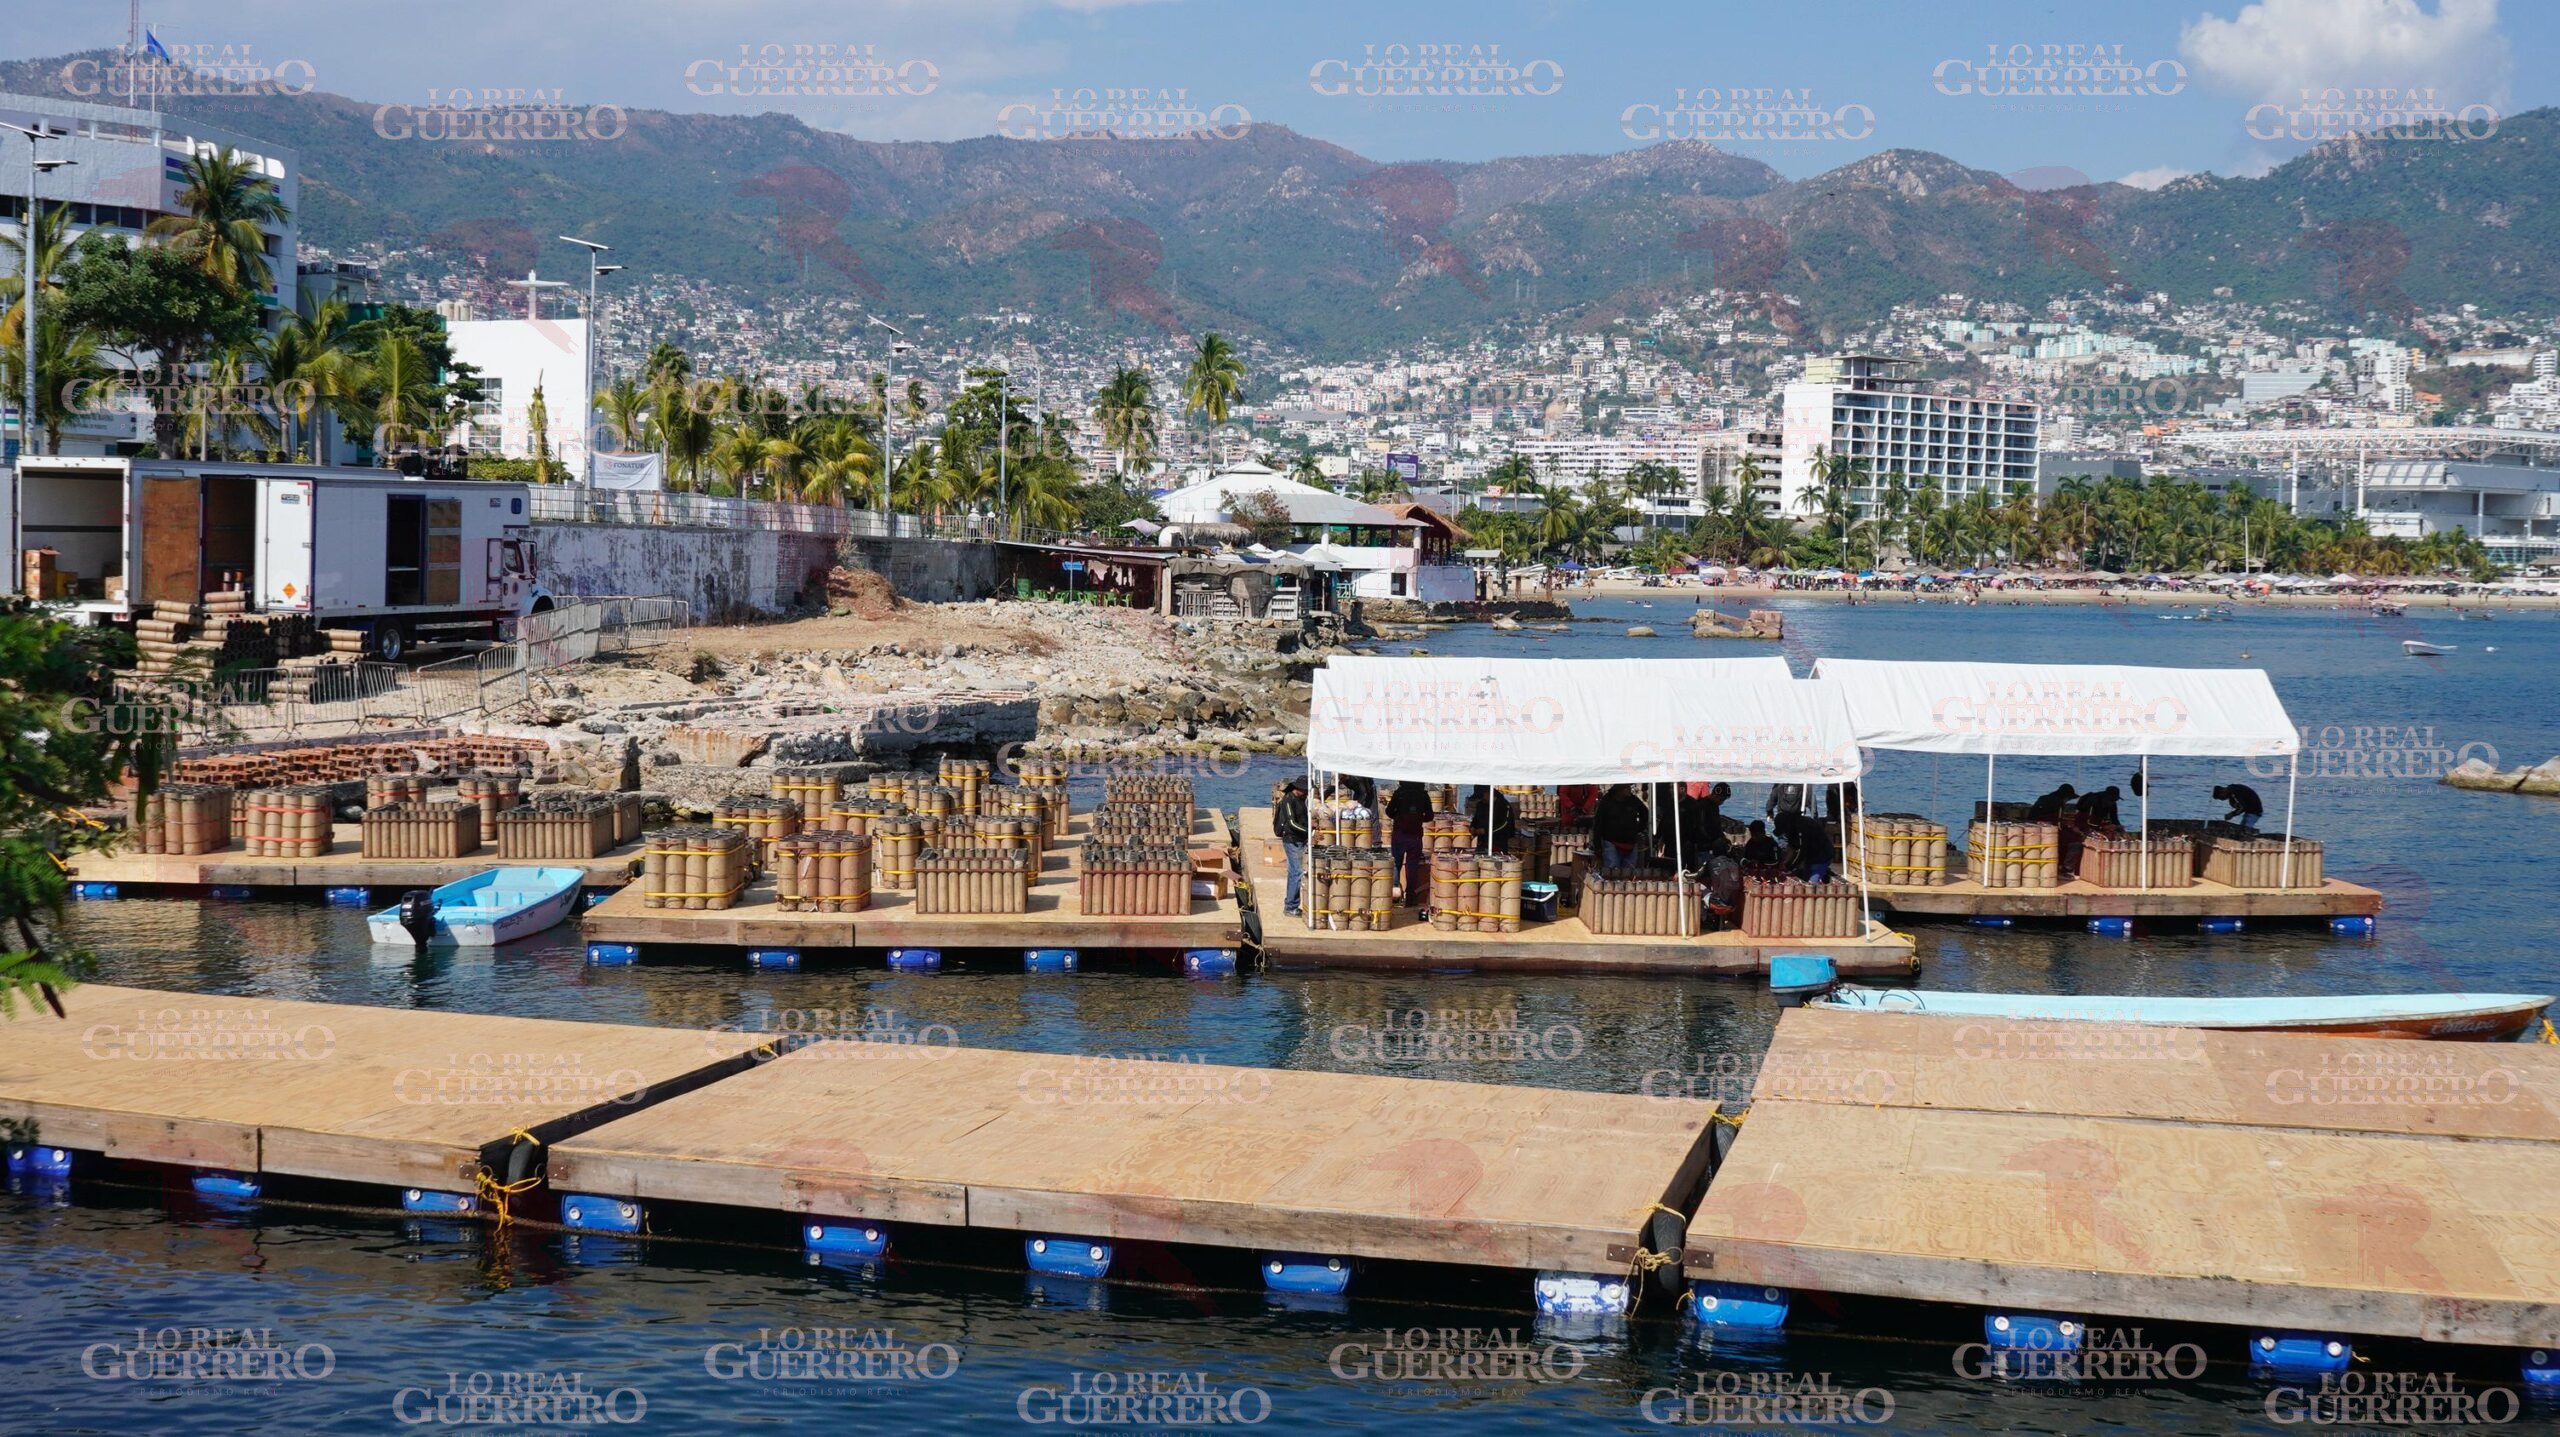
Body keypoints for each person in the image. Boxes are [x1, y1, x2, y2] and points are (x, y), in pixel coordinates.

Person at [1387, 780, 1434, 904]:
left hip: (1399, 834)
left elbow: (1388, 811)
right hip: (1415, 836)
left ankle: (1395, 894)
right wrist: (1418, 818)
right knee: (1412, 865)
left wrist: (1398, 816)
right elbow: (1430, 816)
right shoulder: (1423, 795)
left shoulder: (1399, 793)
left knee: (1396, 863)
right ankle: (1411, 896)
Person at [1275, 777, 1311, 916]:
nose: (1307, 793)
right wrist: (1308, 831)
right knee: (1296, 873)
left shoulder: (1301, 799)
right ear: (1299, 789)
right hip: (1292, 841)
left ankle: (1291, 904)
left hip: (1300, 839)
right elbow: (1292, 823)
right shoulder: (1288, 800)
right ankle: (1290, 906)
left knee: (1294, 872)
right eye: (1306, 790)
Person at [1592, 783, 1649, 870]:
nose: (1630, 789)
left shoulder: (1633, 799)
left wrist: (1638, 829)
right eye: (1627, 787)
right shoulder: (1606, 801)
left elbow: (1645, 812)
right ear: (1619, 789)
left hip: (1631, 843)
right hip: (1611, 843)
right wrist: (1597, 845)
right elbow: (1598, 822)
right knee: (1612, 873)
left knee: (1628, 875)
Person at [1786, 808, 1836, 882]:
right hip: (1813, 857)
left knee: (1812, 883)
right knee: (1807, 877)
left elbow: (1800, 850)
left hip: (1821, 857)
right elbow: (1795, 849)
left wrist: (1790, 865)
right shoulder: (1801, 825)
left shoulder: (1804, 827)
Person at [1466, 784, 1518, 851]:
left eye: (1482, 796)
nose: (1481, 799)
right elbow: (1476, 819)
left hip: (1499, 843)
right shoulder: (1481, 805)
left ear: (1489, 792)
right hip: (1482, 843)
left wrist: (1486, 831)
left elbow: (1505, 825)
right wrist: (1472, 827)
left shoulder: (1504, 806)